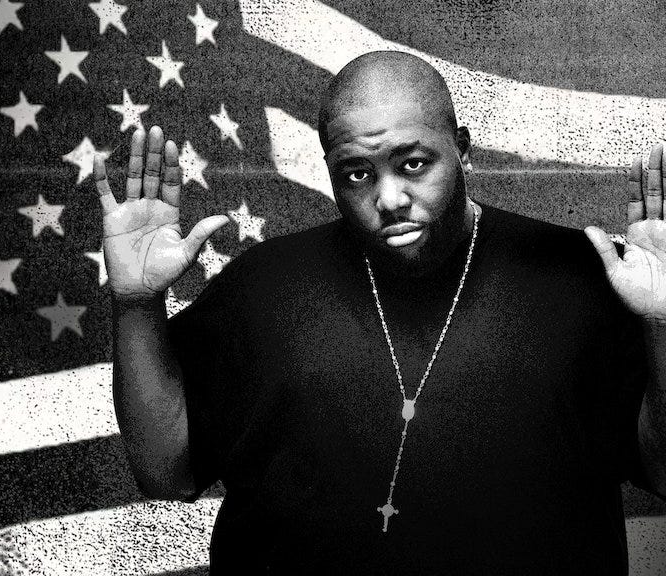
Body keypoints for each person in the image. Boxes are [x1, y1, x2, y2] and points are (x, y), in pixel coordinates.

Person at [96, 50, 666, 574]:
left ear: (462, 149)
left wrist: (664, 323)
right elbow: (165, 470)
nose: (389, 198)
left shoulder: (577, 275)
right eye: (358, 174)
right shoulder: (262, 286)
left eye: (413, 163)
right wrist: (137, 304)